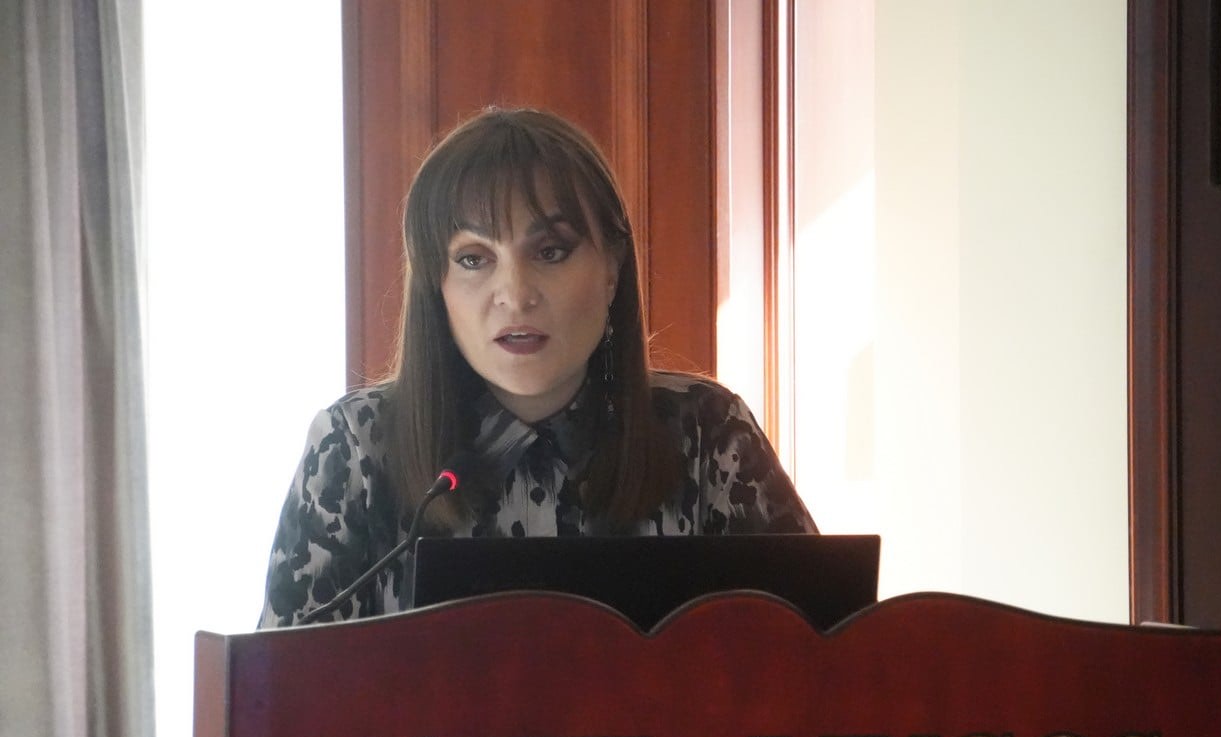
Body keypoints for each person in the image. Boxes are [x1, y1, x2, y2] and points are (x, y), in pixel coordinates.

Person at [258, 107, 815, 628]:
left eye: (550, 252)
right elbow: (283, 686)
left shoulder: (709, 433)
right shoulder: (354, 446)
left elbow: (820, 655)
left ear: (612, 270)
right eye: (474, 259)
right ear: (436, 287)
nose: (515, 293)